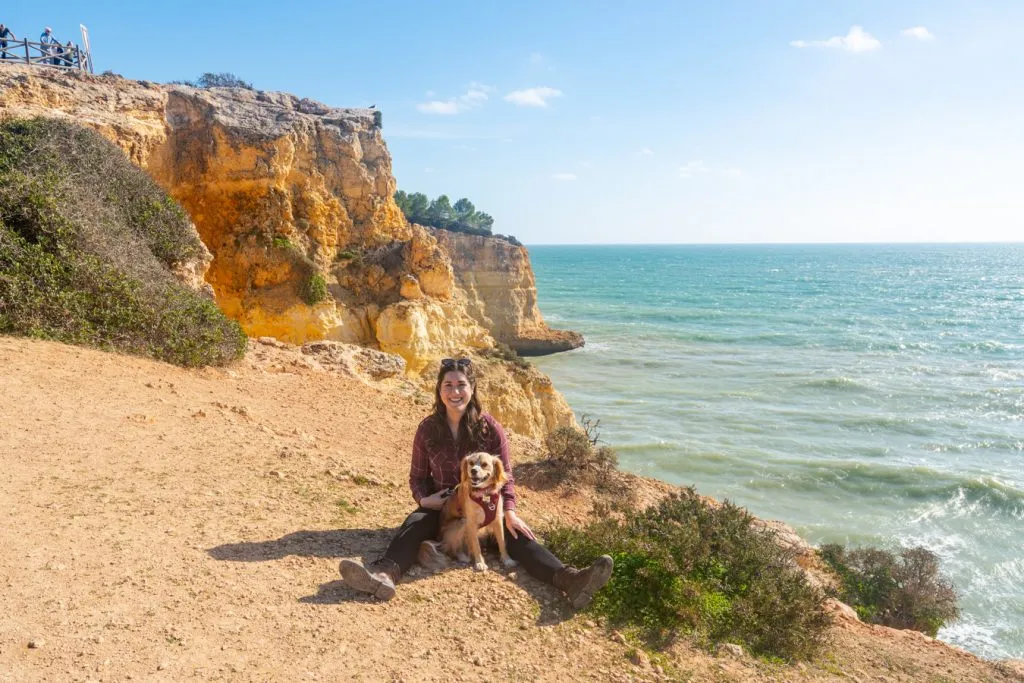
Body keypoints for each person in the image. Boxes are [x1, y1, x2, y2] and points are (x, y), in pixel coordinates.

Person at [340, 357, 614, 608]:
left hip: (486, 506)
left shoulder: (490, 428)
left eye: (461, 385)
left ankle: (570, 580)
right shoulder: (427, 429)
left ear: (472, 389)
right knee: (414, 524)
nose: (455, 392)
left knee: (517, 535)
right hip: (445, 508)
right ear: (439, 390)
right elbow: (417, 477)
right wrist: (425, 500)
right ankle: (382, 576)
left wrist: (510, 511)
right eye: (448, 385)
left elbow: (505, 475)